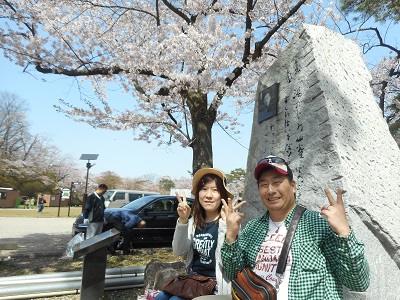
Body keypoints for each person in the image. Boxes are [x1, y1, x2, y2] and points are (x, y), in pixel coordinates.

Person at [221, 155, 370, 299]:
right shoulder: (253, 227)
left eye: (277, 182)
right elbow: (232, 273)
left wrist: (344, 232)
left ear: (293, 186)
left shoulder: (318, 224)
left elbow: (358, 282)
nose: (270, 190)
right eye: (264, 184)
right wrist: (231, 236)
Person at [155, 168, 243, 300]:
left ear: (222, 195)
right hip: (194, 280)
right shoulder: (194, 222)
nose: (208, 195)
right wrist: (183, 221)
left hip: (216, 286)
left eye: (215, 190)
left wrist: (225, 226)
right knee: (159, 298)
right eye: (204, 189)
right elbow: (179, 251)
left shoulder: (230, 223)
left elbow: (228, 264)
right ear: (198, 194)